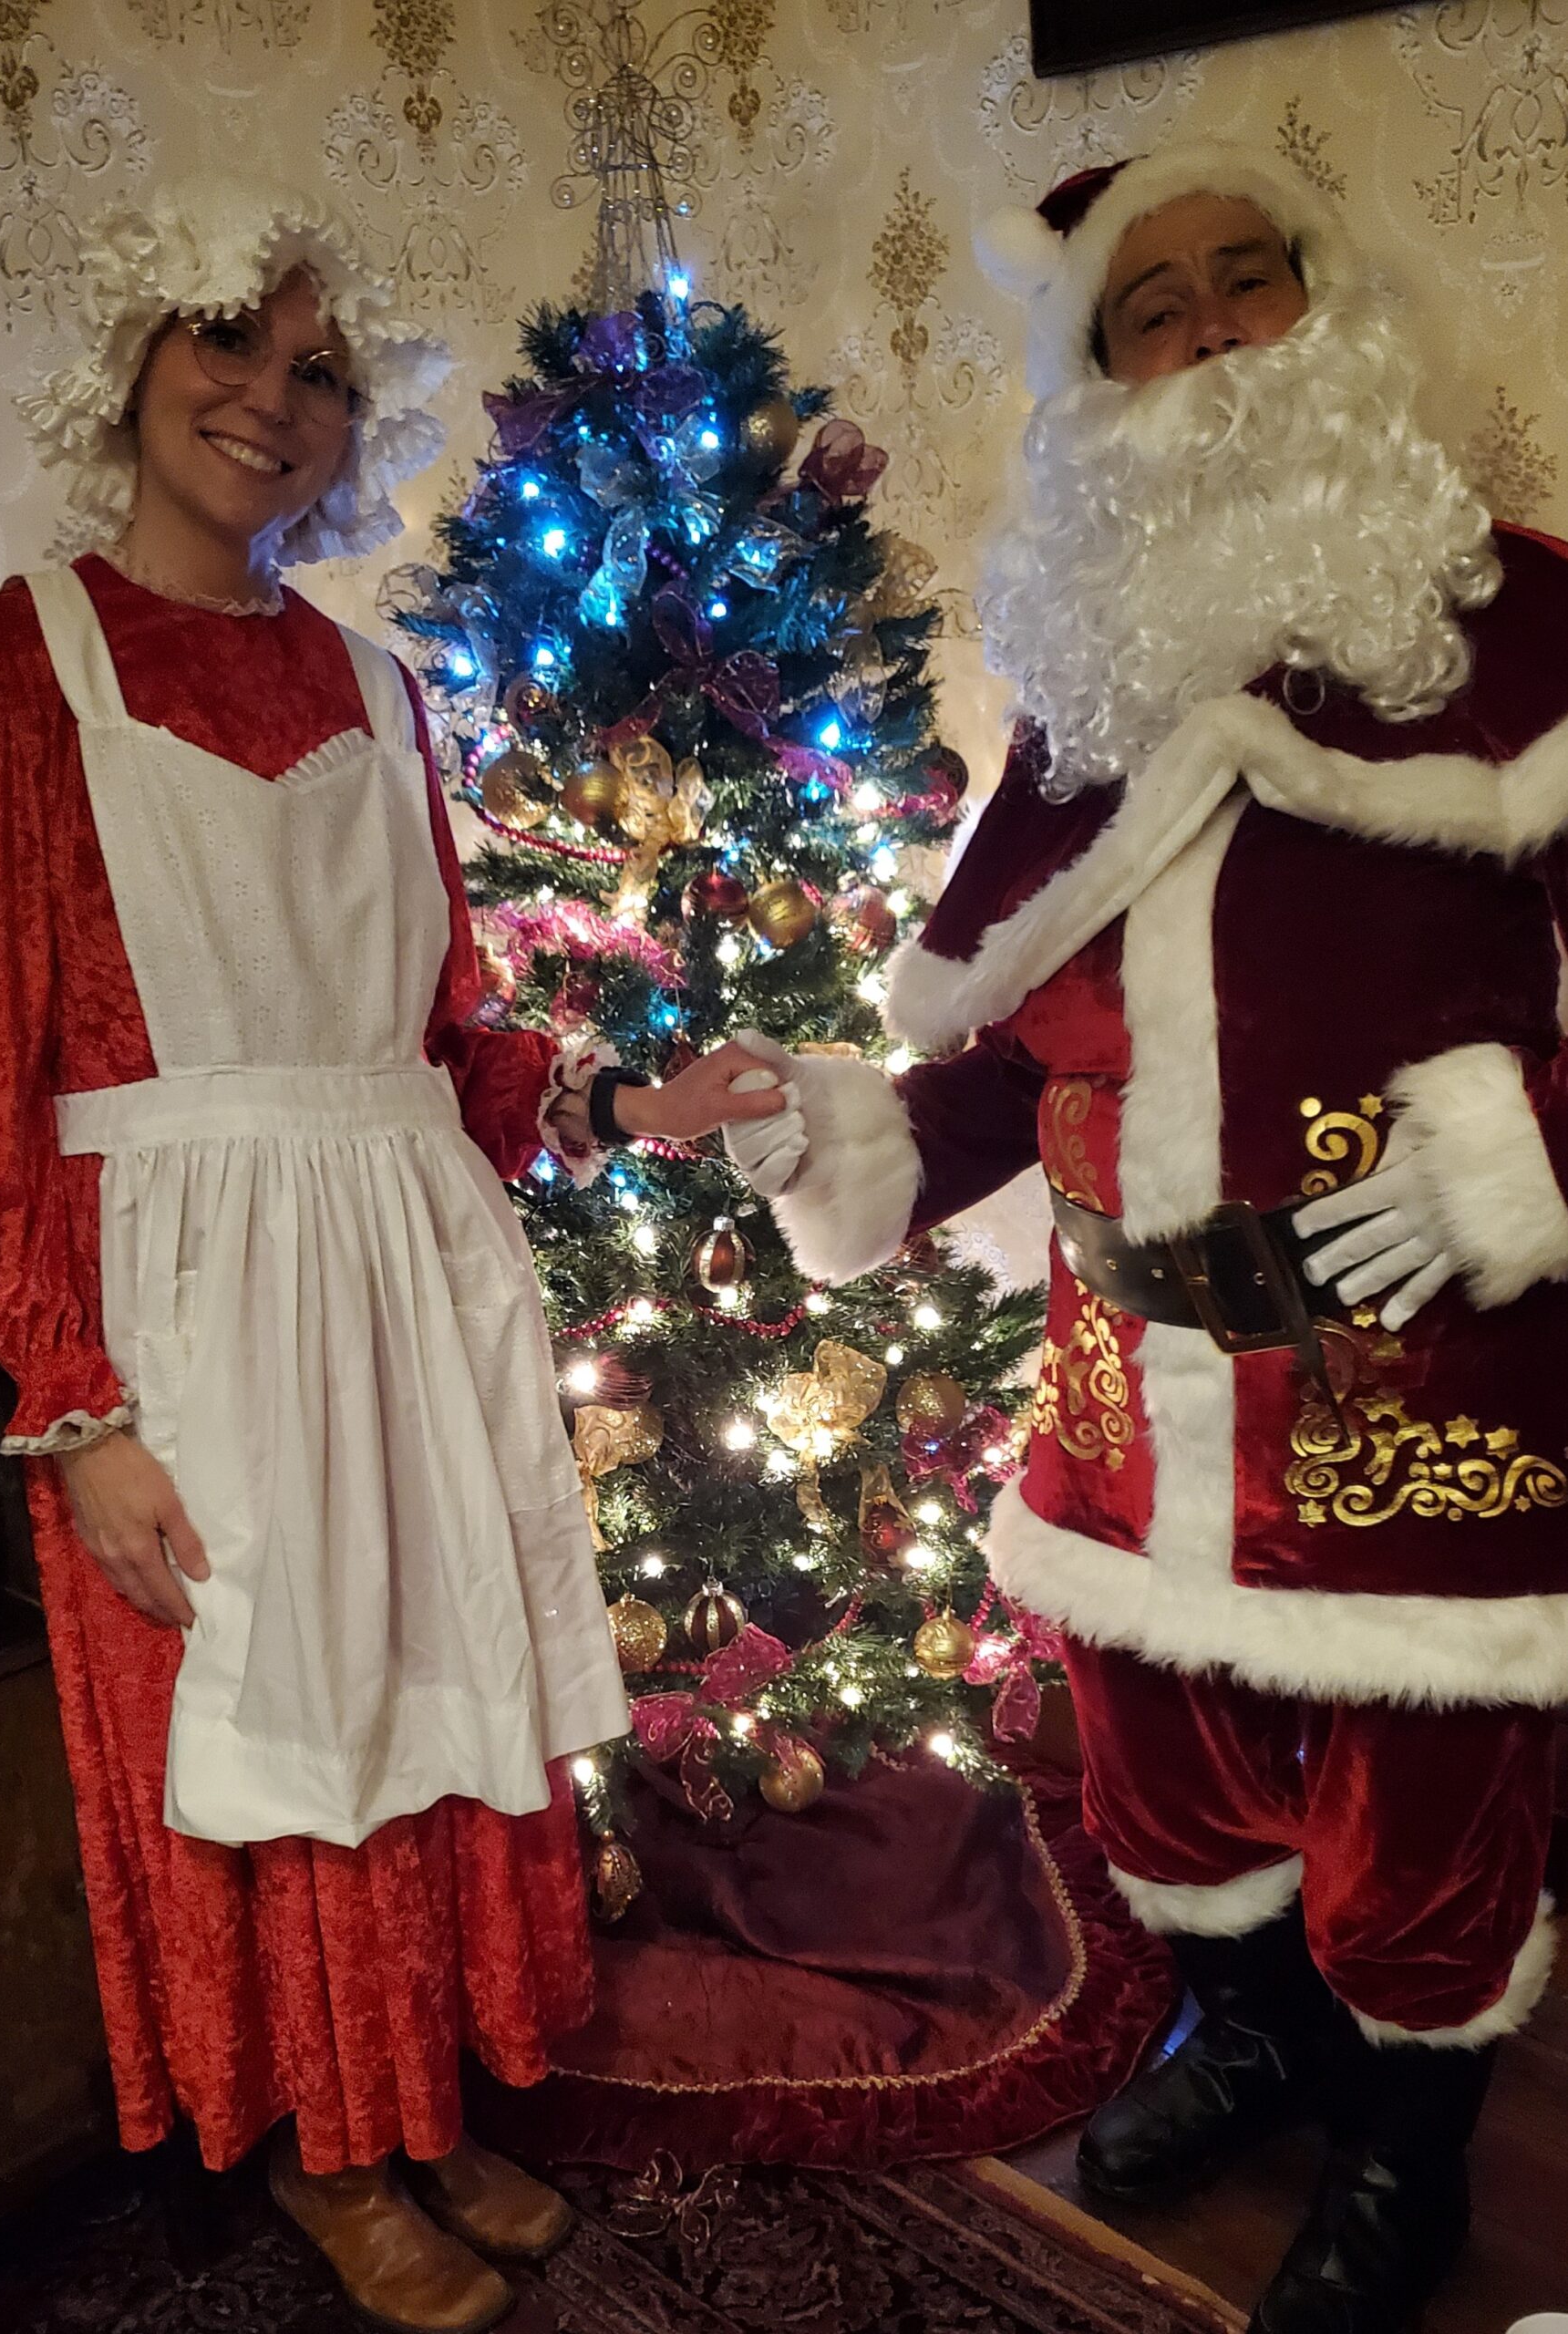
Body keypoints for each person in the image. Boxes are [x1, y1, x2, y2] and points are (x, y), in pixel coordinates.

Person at [0, 180, 781, 2334]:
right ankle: (316, 2140)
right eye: (228, 336)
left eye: (316, 372)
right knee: (269, 1704)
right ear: (133, 355)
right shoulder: (8, 664)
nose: (268, 398)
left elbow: (441, 1027)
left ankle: (416, 2084)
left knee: (422, 1673)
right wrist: (67, 1397)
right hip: (182, 1285)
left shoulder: (383, 683)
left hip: (402, 1250)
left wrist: (605, 1104)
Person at [724, 139, 1568, 2334]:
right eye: (1150, 307)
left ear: (1327, 303)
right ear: (1093, 379)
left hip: (1410, 1372)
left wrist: (1525, 1150)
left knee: (1419, 1810)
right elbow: (1011, 1061)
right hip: (1123, 1378)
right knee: (1159, 1762)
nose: (1206, 335)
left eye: (1243, 282)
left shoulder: (1532, 624)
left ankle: (1407, 2135)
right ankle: (1257, 2034)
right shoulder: (1080, 706)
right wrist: (855, 1134)